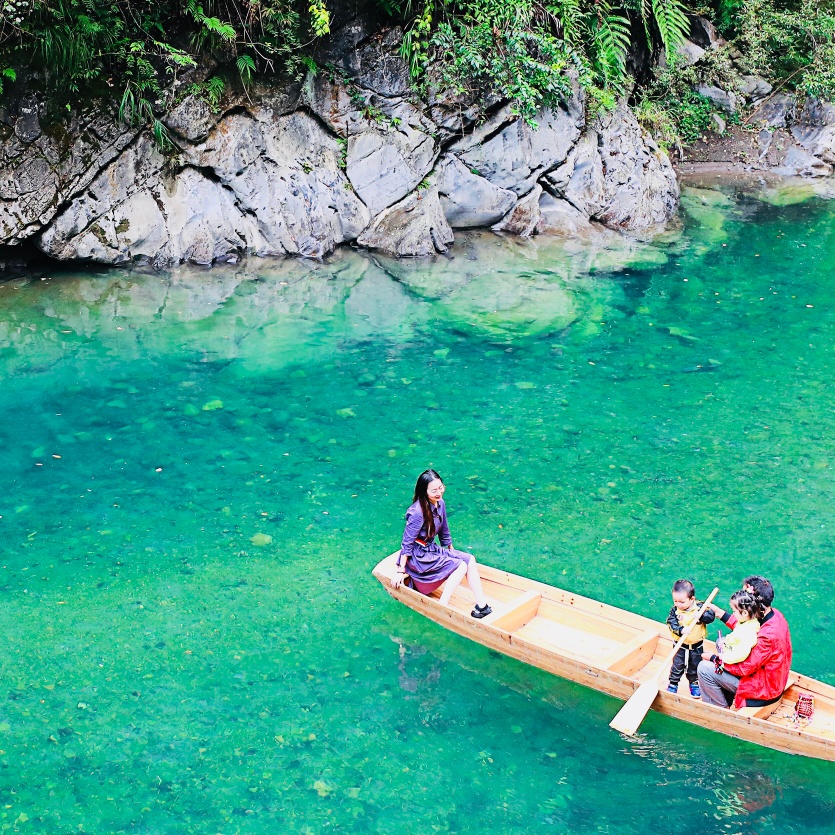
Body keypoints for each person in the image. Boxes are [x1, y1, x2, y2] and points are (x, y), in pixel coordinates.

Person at [391, 469, 492, 618]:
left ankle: (482, 606)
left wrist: (450, 549)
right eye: (434, 491)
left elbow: (444, 528)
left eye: (441, 488)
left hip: (430, 549)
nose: (439, 492)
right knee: (460, 566)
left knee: (469, 560)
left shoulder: (440, 503)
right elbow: (407, 542)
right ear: (424, 491)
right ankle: (442, 606)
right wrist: (401, 570)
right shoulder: (417, 512)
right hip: (418, 556)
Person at [697, 575, 792, 709]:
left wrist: (714, 658)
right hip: (770, 678)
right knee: (722, 642)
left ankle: (719, 710)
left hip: (763, 688)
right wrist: (720, 613)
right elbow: (746, 628)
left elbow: (745, 668)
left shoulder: (769, 635)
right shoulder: (774, 615)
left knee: (704, 668)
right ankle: (725, 694)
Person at [666, 579, 716, 698]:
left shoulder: (701, 607)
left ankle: (694, 684)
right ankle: (673, 684)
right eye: (675, 601)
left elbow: (711, 617)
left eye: (682, 602)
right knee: (677, 665)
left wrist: (702, 615)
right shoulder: (675, 610)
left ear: (692, 599)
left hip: (696, 646)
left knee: (695, 665)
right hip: (680, 645)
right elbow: (671, 623)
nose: (678, 604)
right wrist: (680, 630)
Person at [708, 590, 762, 669]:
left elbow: (740, 654)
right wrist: (726, 642)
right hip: (731, 653)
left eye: (734, 611)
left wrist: (723, 657)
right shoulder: (746, 623)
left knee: (704, 668)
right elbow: (736, 638)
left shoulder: (749, 633)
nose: (733, 614)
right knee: (719, 641)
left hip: (734, 663)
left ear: (745, 613)